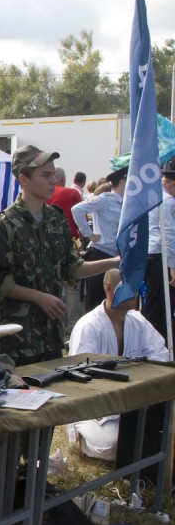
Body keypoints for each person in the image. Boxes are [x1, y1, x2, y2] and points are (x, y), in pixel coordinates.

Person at [0, 145, 119, 368]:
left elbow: (72, 267)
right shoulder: (4, 226)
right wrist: (39, 297)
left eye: (53, 174)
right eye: (45, 175)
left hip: (51, 337)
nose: (53, 181)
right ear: (23, 179)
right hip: (17, 341)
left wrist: (114, 262)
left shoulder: (56, 220)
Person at [68, 269, 168, 461]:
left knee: (152, 437)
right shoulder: (88, 326)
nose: (135, 293)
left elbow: (160, 357)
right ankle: (84, 440)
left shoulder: (138, 321)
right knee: (114, 445)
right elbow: (81, 376)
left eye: (136, 286)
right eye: (128, 287)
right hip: (96, 411)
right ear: (109, 288)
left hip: (135, 404)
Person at [71, 165, 127, 312]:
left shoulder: (126, 202)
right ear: (122, 182)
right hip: (101, 253)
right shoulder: (106, 199)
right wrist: (89, 234)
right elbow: (76, 210)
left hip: (117, 256)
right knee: (95, 301)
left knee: (112, 301)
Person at [48, 167, 86, 332]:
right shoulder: (72, 193)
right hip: (69, 241)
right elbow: (81, 217)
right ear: (63, 179)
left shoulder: (42, 194)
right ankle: (72, 326)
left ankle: (55, 324)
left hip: (46, 243)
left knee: (51, 283)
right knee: (72, 287)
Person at [141, 158, 175, 341]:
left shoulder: (151, 196)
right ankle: (158, 342)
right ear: (170, 183)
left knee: (153, 303)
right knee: (160, 306)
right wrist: (173, 266)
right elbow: (169, 236)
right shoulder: (168, 201)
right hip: (161, 256)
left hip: (151, 254)